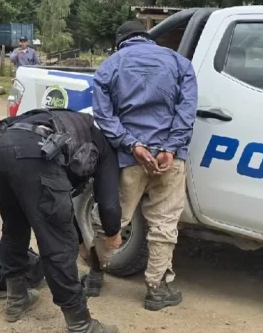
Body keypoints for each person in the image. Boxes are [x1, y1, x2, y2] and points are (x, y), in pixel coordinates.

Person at [84, 20, 198, 311]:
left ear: (121, 42)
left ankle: (96, 275)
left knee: (111, 220)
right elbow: (187, 112)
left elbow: (104, 116)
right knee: (164, 224)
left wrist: (133, 145)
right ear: (147, 38)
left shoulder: (110, 66)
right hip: (169, 161)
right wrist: (170, 148)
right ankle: (157, 290)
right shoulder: (179, 63)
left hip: (128, 160)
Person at [0, 108, 121, 332]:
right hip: (32, 154)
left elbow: (60, 203)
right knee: (57, 242)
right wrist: (113, 232)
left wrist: (80, 241)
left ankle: (17, 299)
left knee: (14, 224)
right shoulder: (104, 144)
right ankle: (80, 323)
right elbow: (109, 203)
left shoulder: (72, 122)